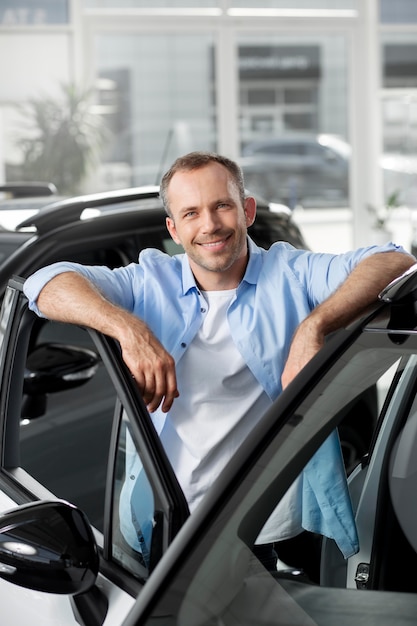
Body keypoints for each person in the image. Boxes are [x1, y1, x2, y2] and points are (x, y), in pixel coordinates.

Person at [23, 151, 415, 572]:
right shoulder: (147, 281)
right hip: (164, 521)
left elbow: (396, 262)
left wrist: (312, 327)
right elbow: (43, 282)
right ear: (173, 228)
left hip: (251, 526)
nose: (209, 225)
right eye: (191, 213)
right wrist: (128, 330)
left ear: (246, 210)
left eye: (221, 206)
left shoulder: (290, 272)